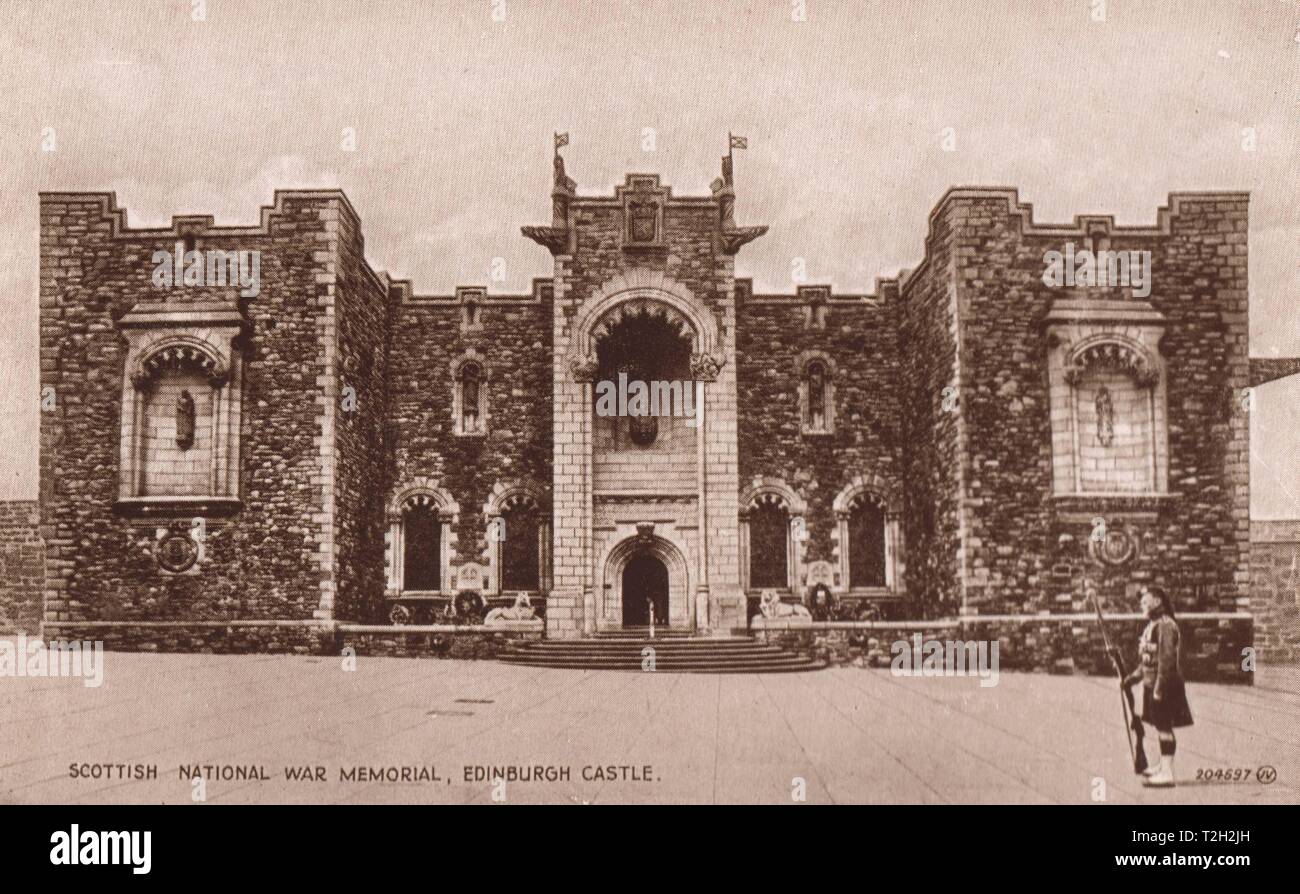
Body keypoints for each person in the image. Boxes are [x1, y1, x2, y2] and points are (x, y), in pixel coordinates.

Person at [1123, 585, 1193, 787]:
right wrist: (1132, 678)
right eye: (1142, 602)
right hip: (1151, 685)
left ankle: (1167, 773)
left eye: (1146, 601)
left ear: (1157, 602)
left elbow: (1166, 661)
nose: (1142, 605)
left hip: (1164, 687)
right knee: (1160, 726)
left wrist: (1159, 690)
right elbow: (1147, 661)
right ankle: (1162, 767)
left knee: (1164, 728)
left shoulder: (1165, 626)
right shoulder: (1152, 626)